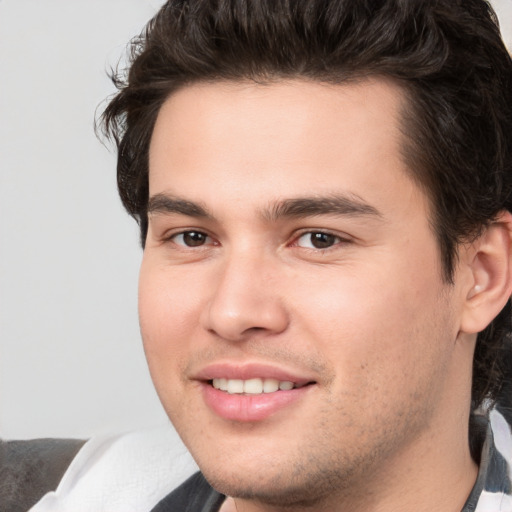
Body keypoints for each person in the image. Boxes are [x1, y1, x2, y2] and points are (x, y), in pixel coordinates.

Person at [97, 0, 512, 510]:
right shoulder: (59, 490)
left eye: (319, 239)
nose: (233, 313)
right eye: (192, 237)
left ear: (483, 274)